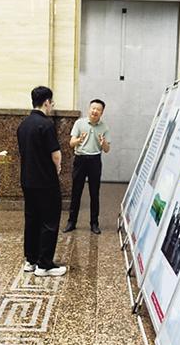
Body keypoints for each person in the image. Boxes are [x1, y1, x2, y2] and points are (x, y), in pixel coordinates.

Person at [17, 86, 66, 277]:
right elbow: (56, 154)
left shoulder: (23, 125)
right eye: (51, 102)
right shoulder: (46, 125)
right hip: (46, 181)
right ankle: (44, 264)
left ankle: (31, 260)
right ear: (46, 102)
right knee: (49, 221)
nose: (52, 106)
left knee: (32, 219)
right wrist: (57, 168)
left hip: (27, 180)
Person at [63, 99, 111, 235]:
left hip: (95, 160)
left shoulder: (104, 127)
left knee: (94, 193)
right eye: (93, 108)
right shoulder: (79, 123)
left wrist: (103, 143)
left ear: (102, 112)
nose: (95, 111)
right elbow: (71, 143)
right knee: (76, 192)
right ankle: (71, 222)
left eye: (98, 109)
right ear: (89, 109)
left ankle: (94, 223)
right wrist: (79, 140)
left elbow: (107, 149)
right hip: (80, 159)